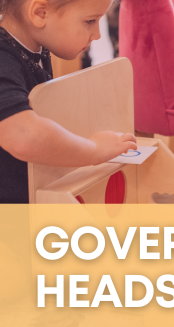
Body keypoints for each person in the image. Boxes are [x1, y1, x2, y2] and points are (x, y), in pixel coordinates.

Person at [0, 0, 137, 204]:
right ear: (40, 13)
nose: (98, 34)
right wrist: (94, 150)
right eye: (90, 21)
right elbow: (24, 135)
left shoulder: (35, 45)